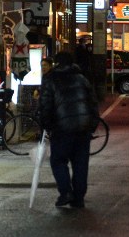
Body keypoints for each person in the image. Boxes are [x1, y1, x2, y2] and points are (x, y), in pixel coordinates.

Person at [38, 51, 100, 208]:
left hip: (62, 128)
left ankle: (65, 192)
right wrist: (92, 125)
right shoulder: (82, 78)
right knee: (80, 163)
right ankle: (78, 198)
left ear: (57, 63)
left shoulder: (51, 79)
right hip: (83, 128)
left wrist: (46, 124)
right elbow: (93, 102)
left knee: (58, 160)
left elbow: (45, 104)